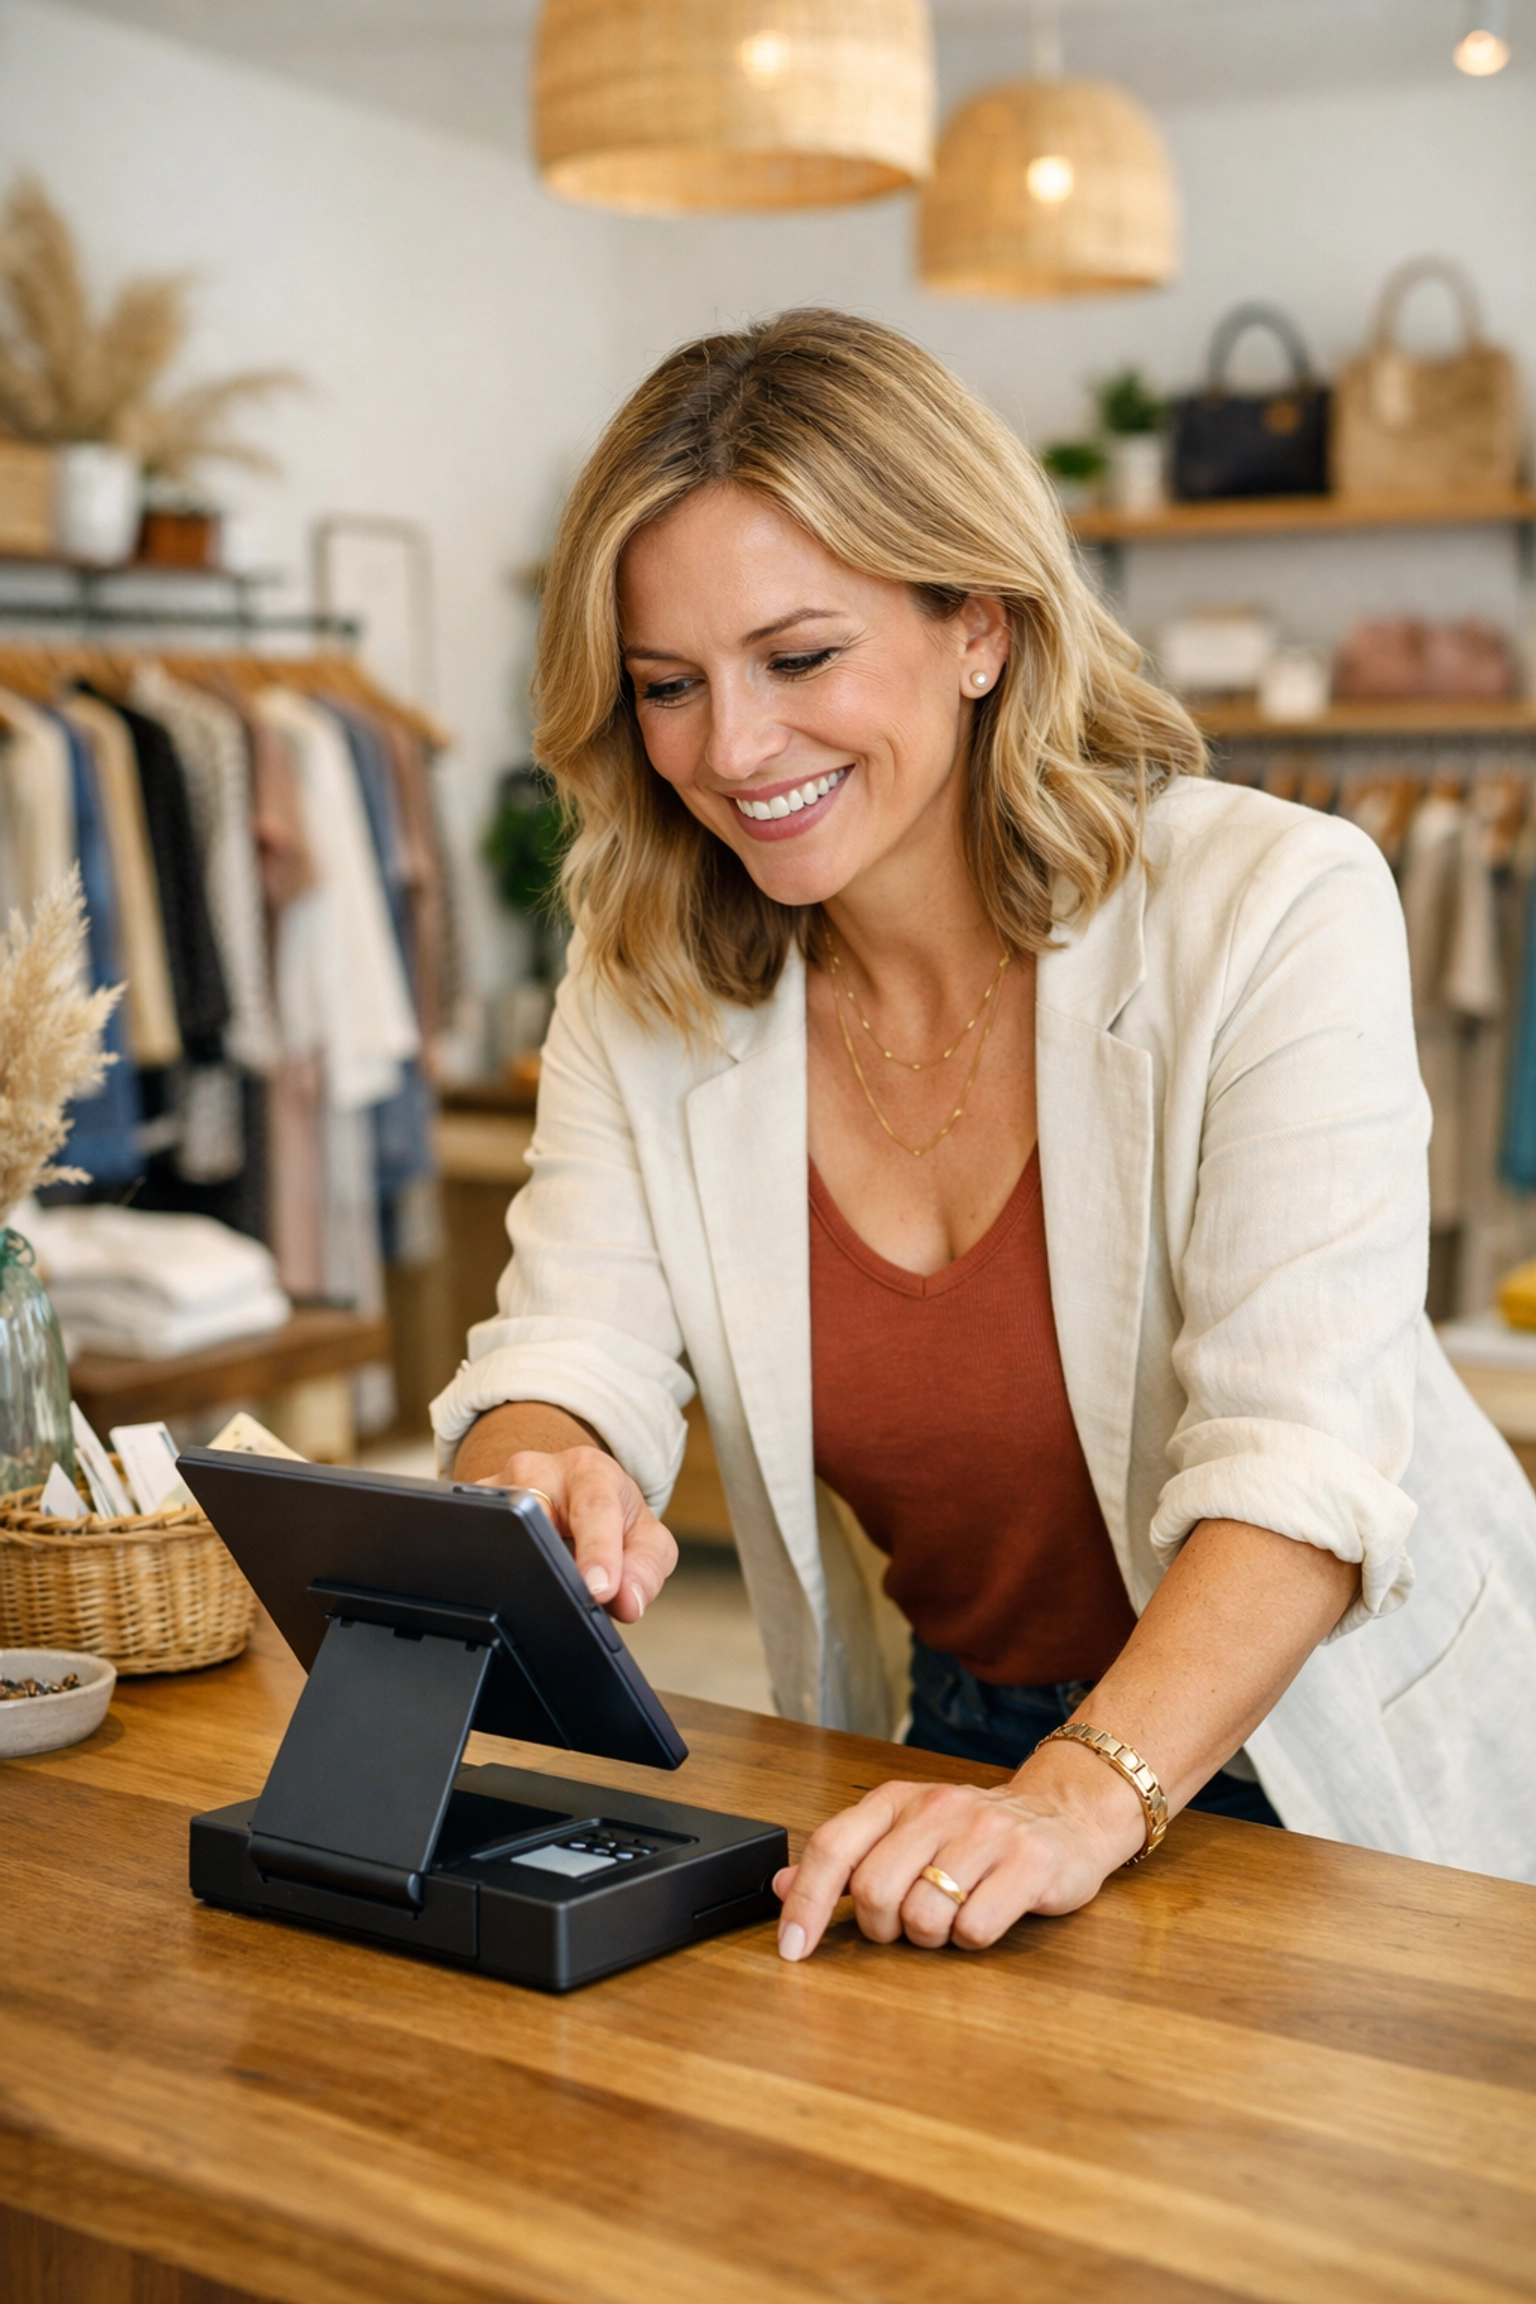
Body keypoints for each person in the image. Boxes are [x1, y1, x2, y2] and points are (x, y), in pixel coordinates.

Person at [436, 308, 1536, 1958]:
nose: (732, 749)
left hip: (1326, 1745)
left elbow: (1299, 1456)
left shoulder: (1275, 906)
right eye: (668, 686)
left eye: (799, 659)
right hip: (966, 1736)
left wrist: (1080, 1796)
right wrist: (543, 1464)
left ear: (979, 627)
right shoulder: (644, 978)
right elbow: (566, 1348)